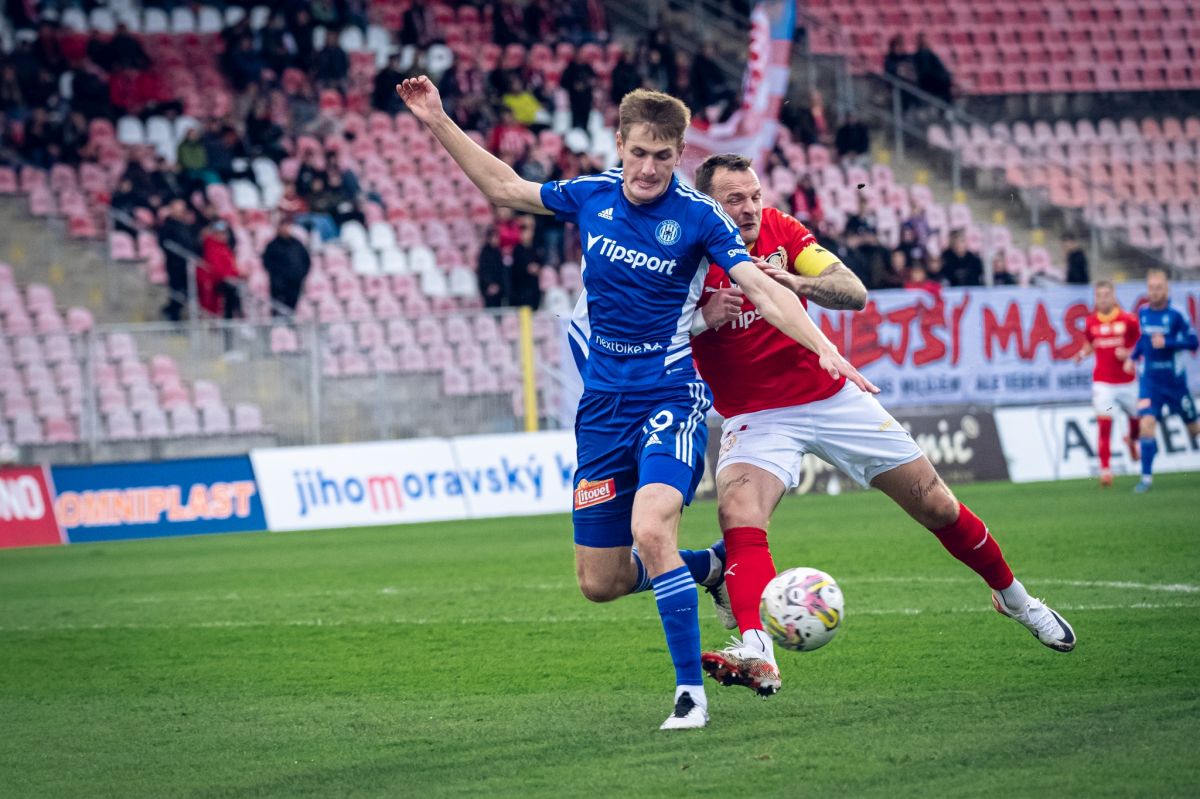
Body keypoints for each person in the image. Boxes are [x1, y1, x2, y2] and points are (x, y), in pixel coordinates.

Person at [397, 76, 874, 730]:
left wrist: (822, 346)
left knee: (651, 531)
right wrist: (436, 118)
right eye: (639, 153)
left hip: (670, 396)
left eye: (663, 156)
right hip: (602, 410)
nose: (648, 169)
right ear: (620, 144)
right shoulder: (591, 193)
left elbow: (763, 289)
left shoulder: (700, 217)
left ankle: (690, 696)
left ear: (679, 155)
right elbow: (505, 188)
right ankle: (710, 567)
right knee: (601, 582)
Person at [688, 154, 1078, 698]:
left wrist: (796, 282)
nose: (751, 208)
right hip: (755, 415)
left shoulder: (782, 230)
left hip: (830, 393)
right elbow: (651, 329)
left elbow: (852, 291)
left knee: (937, 504)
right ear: (707, 204)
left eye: (755, 195)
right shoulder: (685, 255)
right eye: (735, 199)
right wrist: (703, 318)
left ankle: (1016, 599)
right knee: (738, 512)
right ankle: (758, 651)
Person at [1129, 270, 1200, 493]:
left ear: (1167, 289)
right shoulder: (1143, 312)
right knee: (1146, 424)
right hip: (1150, 382)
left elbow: (1193, 342)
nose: (1154, 292)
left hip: (1175, 384)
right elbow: (1143, 340)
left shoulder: (1177, 314)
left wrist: (1168, 342)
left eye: (1158, 288)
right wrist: (1132, 357)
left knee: (1194, 429)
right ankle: (1146, 479)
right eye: (1151, 288)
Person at [1074, 281, 1141, 487]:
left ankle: (1132, 440)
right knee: (1104, 424)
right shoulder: (1091, 322)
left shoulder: (1129, 320)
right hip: (1103, 383)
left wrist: (1129, 354)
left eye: (1106, 295)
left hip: (1127, 381)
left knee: (1137, 422)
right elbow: (1090, 344)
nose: (1103, 299)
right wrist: (1082, 354)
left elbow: (1140, 345)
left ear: (1113, 296)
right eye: (1099, 296)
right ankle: (1105, 470)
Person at [262, 221, 312, 315]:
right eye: (283, 227)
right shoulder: (272, 246)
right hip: (278, 285)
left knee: (292, 308)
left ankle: (291, 324)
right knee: (278, 309)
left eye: (287, 227)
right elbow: (267, 263)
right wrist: (277, 278)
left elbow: (306, 260)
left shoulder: (297, 244)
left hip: (295, 283)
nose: (285, 230)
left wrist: (300, 275)